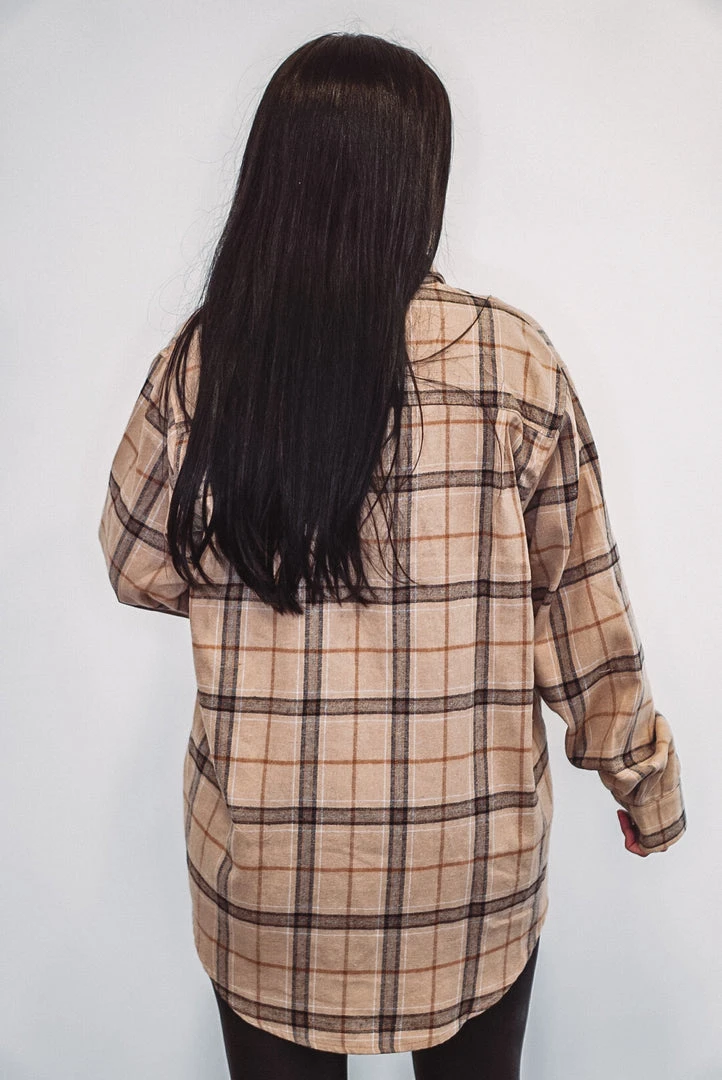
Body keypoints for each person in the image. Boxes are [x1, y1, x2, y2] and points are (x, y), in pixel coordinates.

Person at [97, 30, 686, 1079]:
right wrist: (644, 782)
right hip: (468, 874)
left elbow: (136, 564)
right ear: (417, 181)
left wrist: (262, 569)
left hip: (270, 873)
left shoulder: (206, 362)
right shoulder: (512, 361)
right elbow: (579, 614)